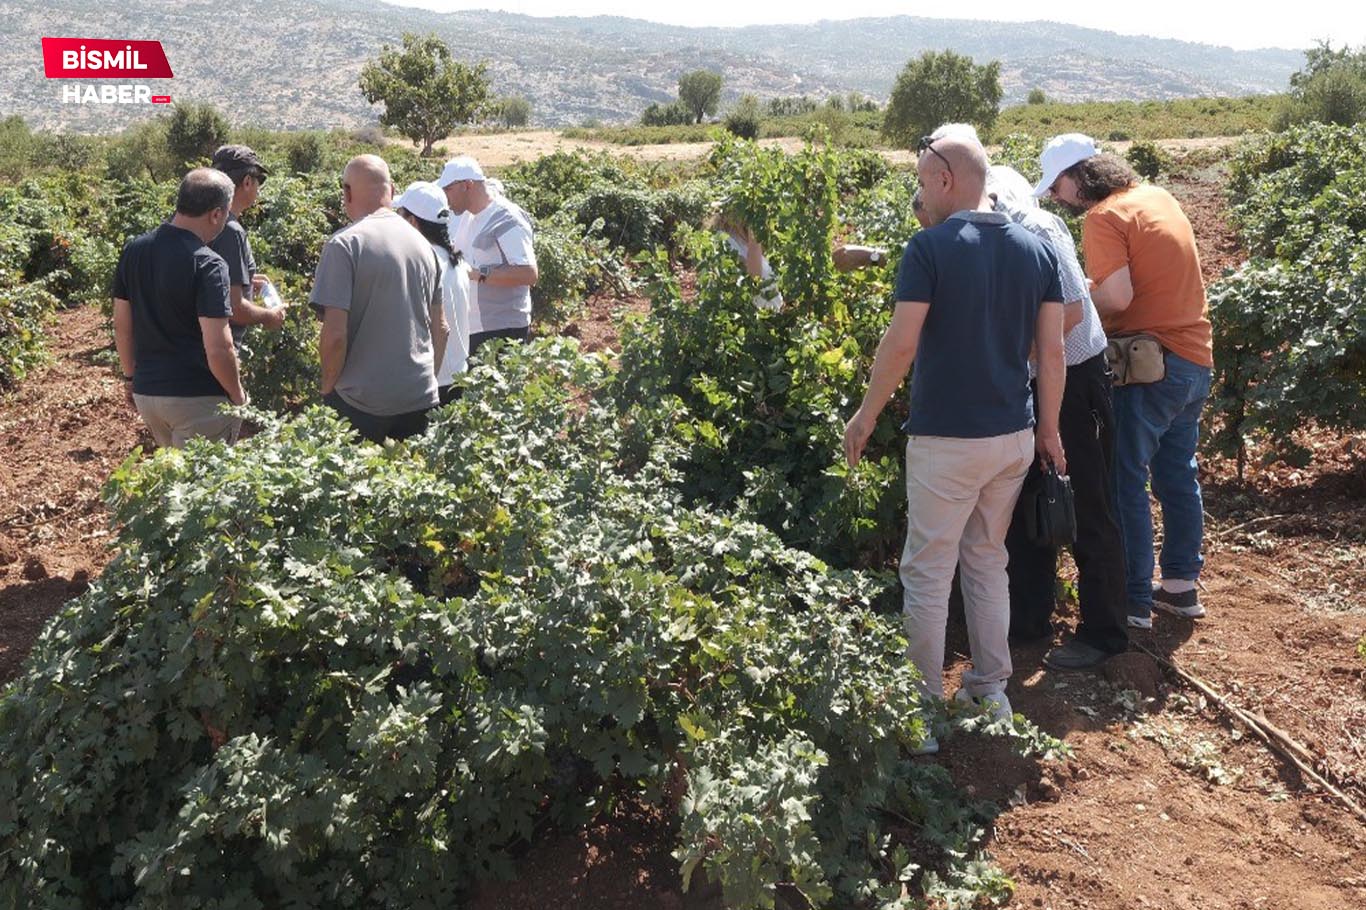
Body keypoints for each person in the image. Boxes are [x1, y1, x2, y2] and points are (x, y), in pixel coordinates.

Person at [843, 133, 1066, 749]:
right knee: (988, 557)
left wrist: (865, 416)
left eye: (920, 184)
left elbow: (902, 342)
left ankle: (920, 713)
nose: (918, 197)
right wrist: (1047, 429)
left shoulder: (930, 248)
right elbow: (1051, 350)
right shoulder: (1038, 248)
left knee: (927, 570)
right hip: (1012, 438)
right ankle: (991, 690)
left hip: (947, 441)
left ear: (945, 180)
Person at [1035, 134, 1214, 629]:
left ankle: (1134, 599)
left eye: (1057, 185)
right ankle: (1180, 587)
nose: (1055, 198)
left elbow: (1115, 297)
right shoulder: (1156, 196)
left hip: (1152, 364)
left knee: (1124, 480)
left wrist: (1062, 305)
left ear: (1080, 178)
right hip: (1195, 358)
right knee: (1177, 473)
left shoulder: (1103, 216)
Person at [986, 165, 1128, 670]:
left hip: (1074, 378)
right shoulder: (1010, 231)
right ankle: (1028, 618)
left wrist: (1012, 350)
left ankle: (1105, 631)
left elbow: (1069, 311)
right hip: (1038, 375)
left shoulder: (1038, 229)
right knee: (1032, 497)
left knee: (1087, 499)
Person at [310, 154, 448, 443]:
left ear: (346, 193)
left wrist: (327, 389)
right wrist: (427, 381)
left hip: (361, 401)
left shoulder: (345, 245)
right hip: (419, 398)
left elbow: (334, 336)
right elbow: (441, 329)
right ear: (393, 190)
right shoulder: (424, 246)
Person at [111, 168, 246, 448]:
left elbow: (123, 327)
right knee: (204, 488)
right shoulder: (209, 264)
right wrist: (237, 395)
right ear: (216, 214)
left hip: (148, 394)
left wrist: (131, 377)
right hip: (197, 397)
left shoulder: (134, 249)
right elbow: (219, 348)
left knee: (175, 485)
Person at [437, 155, 538, 356]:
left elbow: (528, 273)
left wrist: (477, 274)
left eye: (448, 189)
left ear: (467, 185)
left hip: (501, 330)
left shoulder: (506, 218)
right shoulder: (468, 215)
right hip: (475, 328)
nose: (445, 196)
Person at [394, 180, 470, 405]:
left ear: (413, 222)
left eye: (400, 216)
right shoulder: (455, 261)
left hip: (434, 382)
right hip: (458, 375)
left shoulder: (423, 266)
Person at [207, 145, 287, 350]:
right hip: (222, 347)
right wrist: (269, 316)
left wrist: (246, 281)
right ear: (247, 182)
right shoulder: (231, 231)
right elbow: (234, 307)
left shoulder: (204, 221)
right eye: (259, 181)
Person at [708, 205, 783, 310]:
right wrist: (754, 231)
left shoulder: (745, 238)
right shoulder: (722, 239)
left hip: (772, 316)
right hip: (754, 319)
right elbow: (754, 278)